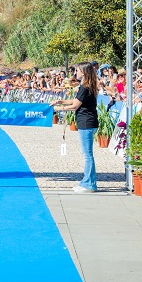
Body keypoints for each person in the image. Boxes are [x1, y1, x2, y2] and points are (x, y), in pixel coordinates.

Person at [51, 61, 99, 192]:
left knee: (87, 155)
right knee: (88, 154)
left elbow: (74, 106)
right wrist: (60, 100)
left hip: (86, 122)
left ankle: (89, 184)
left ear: (83, 72)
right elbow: (74, 101)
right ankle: (89, 182)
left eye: (77, 71)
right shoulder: (87, 86)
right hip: (89, 122)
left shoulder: (85, 87)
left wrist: (57, 108)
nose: (75, 73)